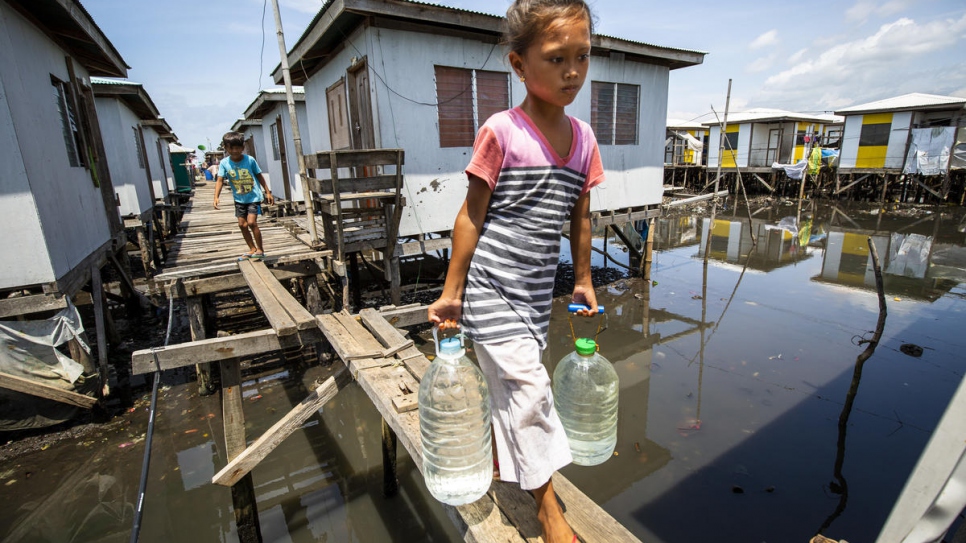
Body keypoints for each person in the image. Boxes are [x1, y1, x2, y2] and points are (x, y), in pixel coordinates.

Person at [427, 1, 601, 542]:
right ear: (520, 65)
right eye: (556, 59)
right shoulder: (502, 131)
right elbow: (471, 213)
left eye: (582, 56)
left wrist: (583, 278)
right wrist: (452, 292)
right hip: (490, 288)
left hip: (532, 295)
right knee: (530, 387)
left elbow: (581, 217)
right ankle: (550, 513)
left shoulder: (585, 141)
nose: (572, 71)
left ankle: (507, 463)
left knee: (514, 388)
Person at [213, 131, 274, 260]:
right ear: (226, 148)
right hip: (239, 199)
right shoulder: (224, 163)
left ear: (243, 147)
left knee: (252, 222)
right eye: (231, 148)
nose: (235, 151)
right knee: (242, 224)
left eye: (237, 148)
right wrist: (216, 197)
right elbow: (220, 180)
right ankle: (252, 248)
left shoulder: (249, 160)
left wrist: (268, 192)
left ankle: (260, 249)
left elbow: (259, 176)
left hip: (253, 197)